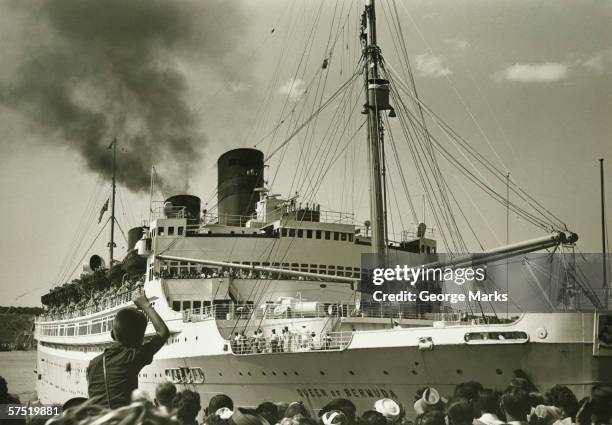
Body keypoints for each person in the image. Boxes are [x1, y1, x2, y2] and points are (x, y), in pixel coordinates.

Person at [86, 291, 170, 408]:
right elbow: (163, 332)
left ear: (113, 334)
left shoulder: (93, 364)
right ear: (138, 340)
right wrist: (145, 305)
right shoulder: (132, 357)